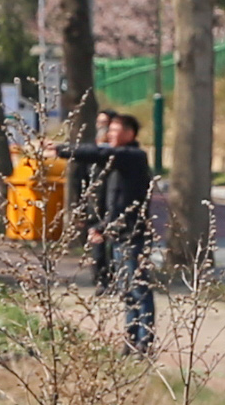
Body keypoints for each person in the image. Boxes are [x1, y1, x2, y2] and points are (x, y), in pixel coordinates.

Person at [60, 110, 157, 352]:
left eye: (114, 130)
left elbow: (102, 153)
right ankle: (130, 338)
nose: (109, 134)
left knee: (139, 288)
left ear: (129, 133)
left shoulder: (133, 156)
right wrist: (101, 227)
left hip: (134, 236)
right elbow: (116, 204)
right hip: (118, 235)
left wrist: (61, 149)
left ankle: (144, 340)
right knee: (127, 291)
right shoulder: (117, 164)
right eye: (108, 130)